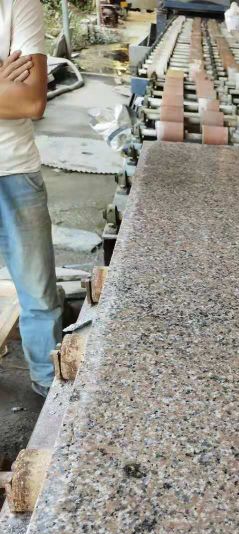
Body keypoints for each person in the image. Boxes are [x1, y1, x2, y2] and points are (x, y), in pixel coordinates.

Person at [0, 0, 61, 397]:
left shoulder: (19, 4)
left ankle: (49, 384)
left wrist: (12, 91)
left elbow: (31, 101)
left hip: (14, 167)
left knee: (38, 292)